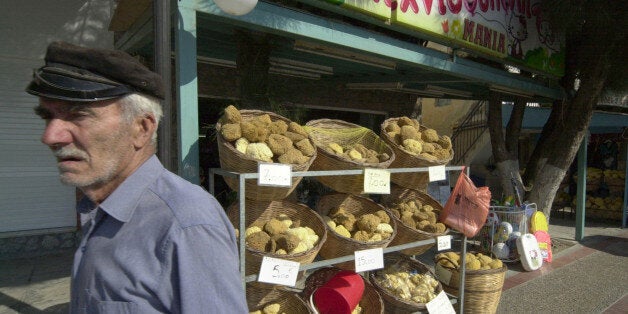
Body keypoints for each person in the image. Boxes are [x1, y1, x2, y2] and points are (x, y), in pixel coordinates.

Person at [26, 41, 248, 313]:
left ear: (142, 128)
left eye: (78, 115)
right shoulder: (97, 209)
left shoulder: (187, 224)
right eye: (47, 117)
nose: (50, 137)